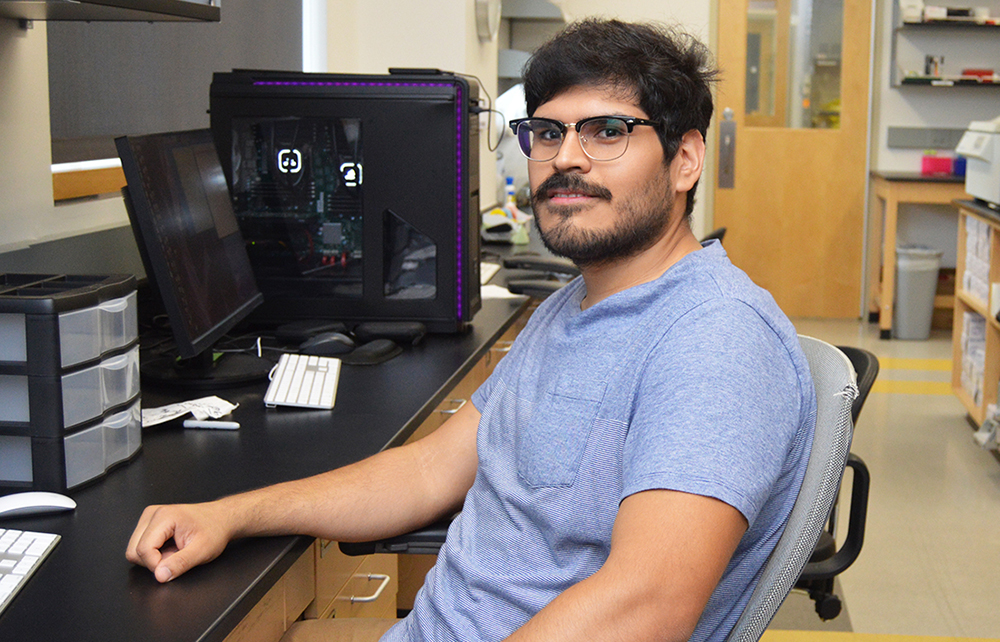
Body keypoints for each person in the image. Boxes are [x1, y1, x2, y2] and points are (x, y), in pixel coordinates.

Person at [127, 18, 817, 642]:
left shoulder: (715, 339)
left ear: (686, 160)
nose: (565, 157)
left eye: (606, 130)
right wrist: (230, 514)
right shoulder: (573, 305)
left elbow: (648, 606)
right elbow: (428, 471)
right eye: (549, 132)